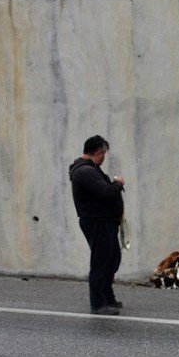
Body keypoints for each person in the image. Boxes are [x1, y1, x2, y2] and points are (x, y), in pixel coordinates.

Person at [69, 135, 126, 315]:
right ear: (98, 152)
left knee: (112, 259)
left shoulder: (91, 169)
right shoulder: (85, 171)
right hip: (97, 222)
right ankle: (98, 303)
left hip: (105, 222)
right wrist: (118, 184)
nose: (104, 157)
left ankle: (107, 296)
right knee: (101, 262)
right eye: (103, 154)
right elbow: (106, 193)